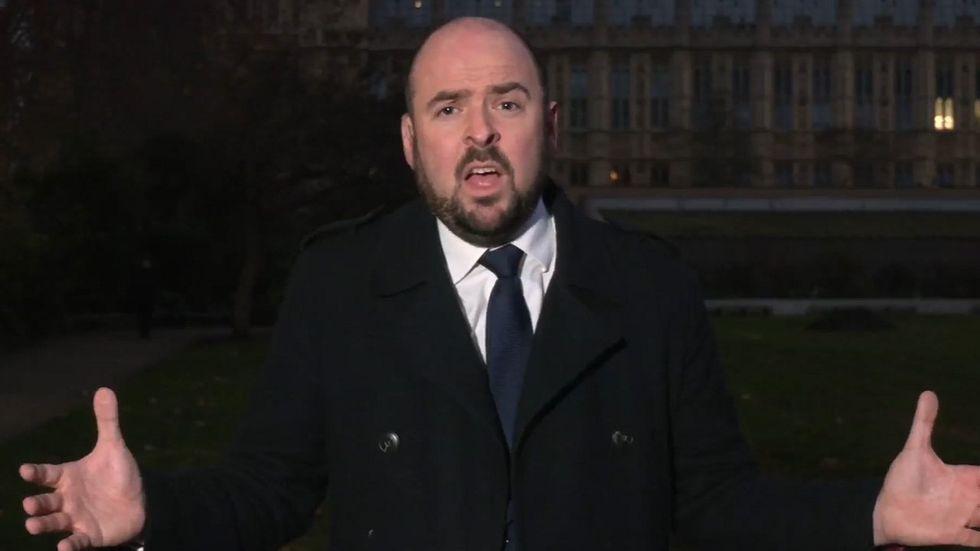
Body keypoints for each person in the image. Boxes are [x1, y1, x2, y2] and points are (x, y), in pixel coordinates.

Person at [19, 17, 980, 551]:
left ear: (548, 124)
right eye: (448, 108)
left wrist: (872, 514)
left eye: (505, 103)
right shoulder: (340, 284)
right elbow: (268, 492)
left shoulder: (650, 289)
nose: (479, 131)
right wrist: (152, 512)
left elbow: (721, 504)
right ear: (411, 142)